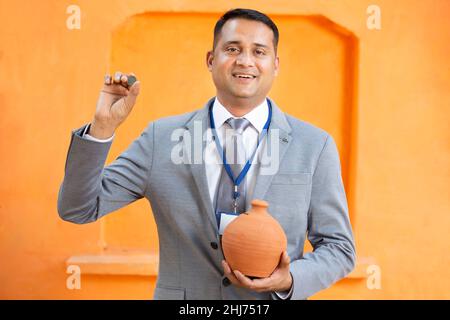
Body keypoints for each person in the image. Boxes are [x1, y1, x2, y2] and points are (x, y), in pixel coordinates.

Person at [58, 8, 356, 300]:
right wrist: (102, 127)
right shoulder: (160, 139)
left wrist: (289, 280)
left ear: (275, 64)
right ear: (211, 60)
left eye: (259, 52)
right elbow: (78, 208)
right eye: (232, 48)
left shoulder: (314, 146)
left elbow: (339, 248)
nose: (245, 61)